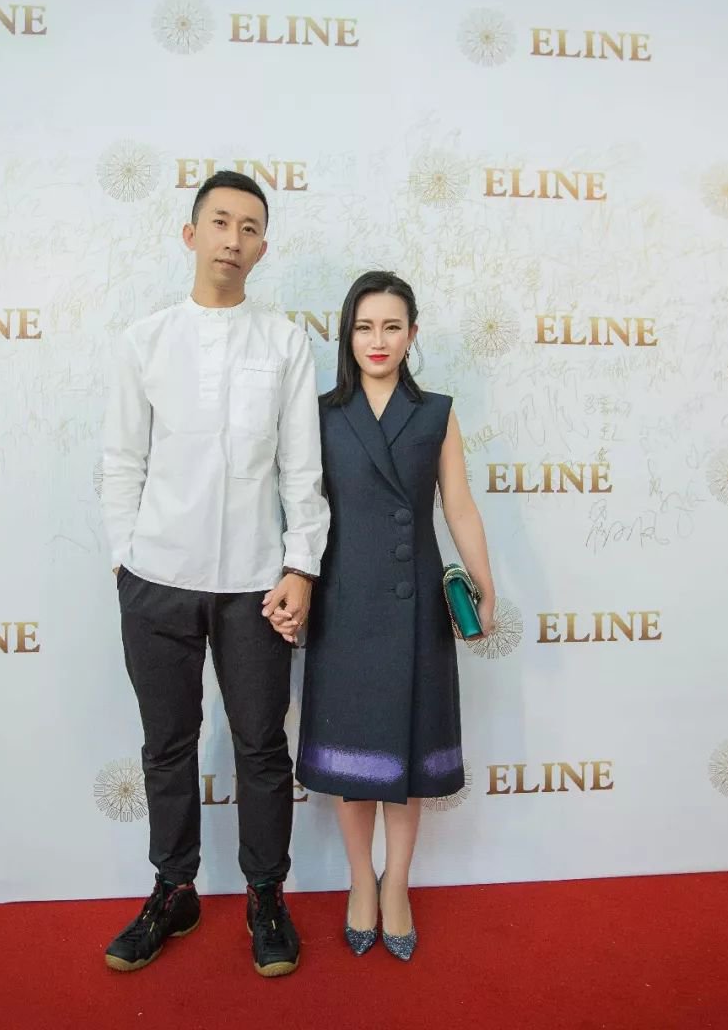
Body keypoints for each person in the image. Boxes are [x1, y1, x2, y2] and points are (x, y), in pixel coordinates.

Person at [100, 170, 329, 978]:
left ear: (263, 248)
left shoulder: (285, 343)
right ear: (190, 234)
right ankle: (174, 890)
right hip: (157, 577)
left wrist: (301, 565)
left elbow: (303, 471)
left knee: (262, 745)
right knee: (167, 745)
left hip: (257, 583)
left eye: (250, 228)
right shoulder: (145, 341)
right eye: (221, 222)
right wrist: (125, 560)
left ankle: (266, 895)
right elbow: (121, 460)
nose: (234, 239)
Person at [272, 270, 496, 961]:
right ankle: (358, 882)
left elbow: (459, 505)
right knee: (354, 763)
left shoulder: (437, 413)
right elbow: (300, 510)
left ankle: (395, 883)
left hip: (416, 601)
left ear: (412, 334)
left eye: (392, 327)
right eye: (365, 327)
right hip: (342, 602)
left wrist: (485, 584)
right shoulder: (319, 414)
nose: (378, 340)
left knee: (407, 760)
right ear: (347, 335)